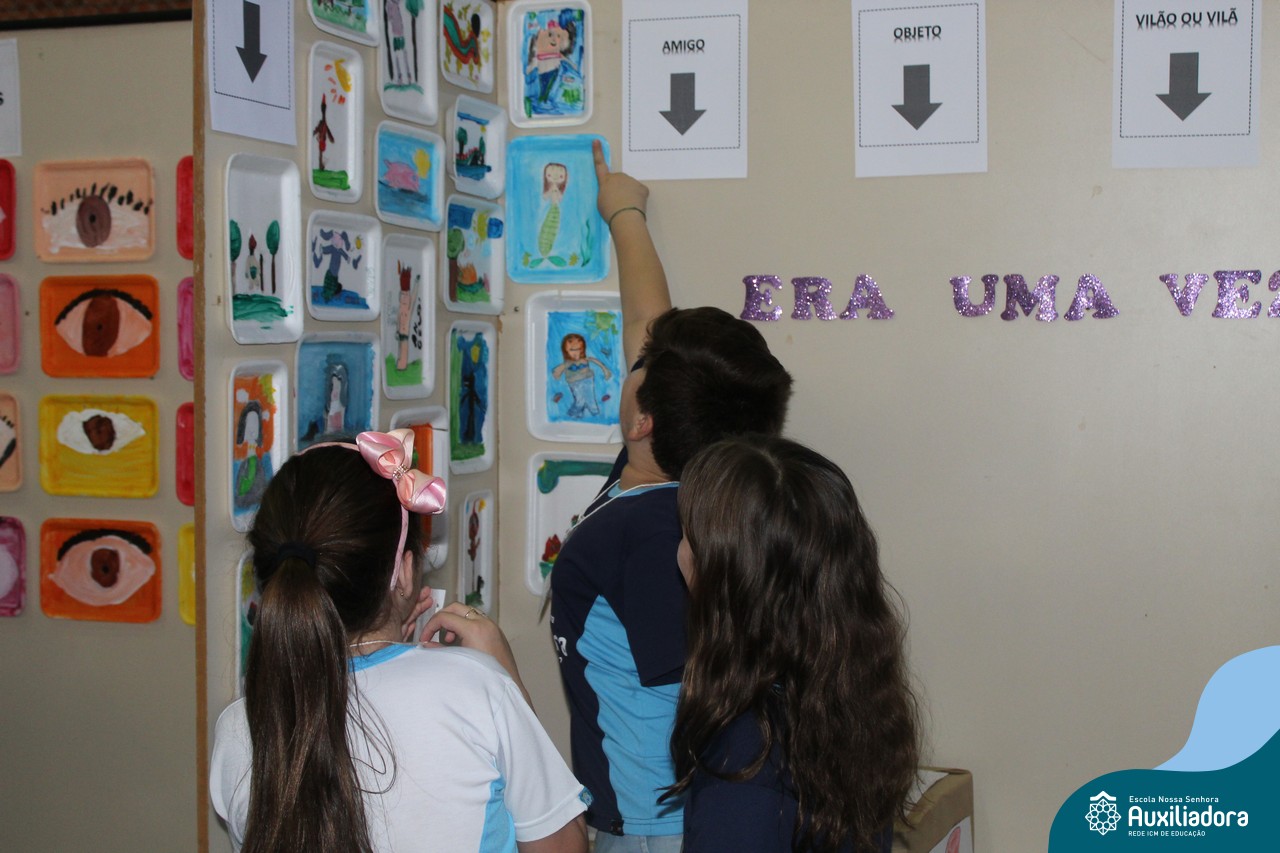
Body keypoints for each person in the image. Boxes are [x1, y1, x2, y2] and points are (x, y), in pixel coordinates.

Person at [548, 141, 794, 851]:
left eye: (641, 365)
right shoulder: (675, 487)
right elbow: (646, 324)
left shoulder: (654, 537)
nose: (633, 353)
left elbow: (699, 694)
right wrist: (624, 211)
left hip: (658, 831)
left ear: (643, 420)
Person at [210, 429, 588, 853]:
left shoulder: (240, 728)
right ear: (404, 572)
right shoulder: (476, 689)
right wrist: (505, 674)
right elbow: (563, 846)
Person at [668, 436, 921, 853]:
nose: (679, 552)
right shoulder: (844, 701)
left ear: (726, 580)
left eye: (687, 535)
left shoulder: (742, 771)